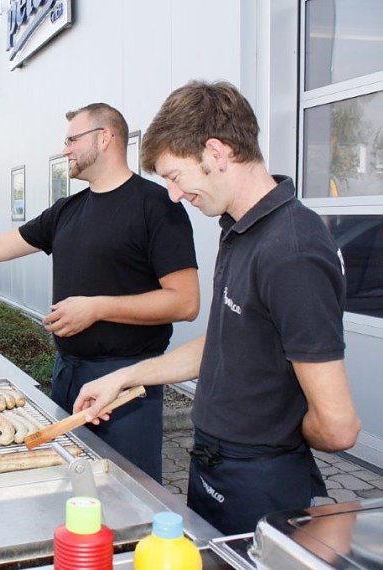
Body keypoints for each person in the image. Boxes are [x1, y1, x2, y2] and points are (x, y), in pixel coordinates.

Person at [73, 81, 361, 535]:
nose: (173, 194)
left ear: (217, 152)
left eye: (175, 176)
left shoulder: (292, 250)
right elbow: (226, 342)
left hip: (261, 485)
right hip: (213, 467)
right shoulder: (241, 229)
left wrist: (277, 435)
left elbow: (339, 427)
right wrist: (123, 378)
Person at [0, 103, 199, 481]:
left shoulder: (156, 205)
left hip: (126, 385)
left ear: (104, 138)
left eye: (72, 140)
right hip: (67, 374)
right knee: (69, 484)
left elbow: (185, 301)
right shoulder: (67, 210)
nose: (65, 150)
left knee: (128, 492)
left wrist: (97, 308)